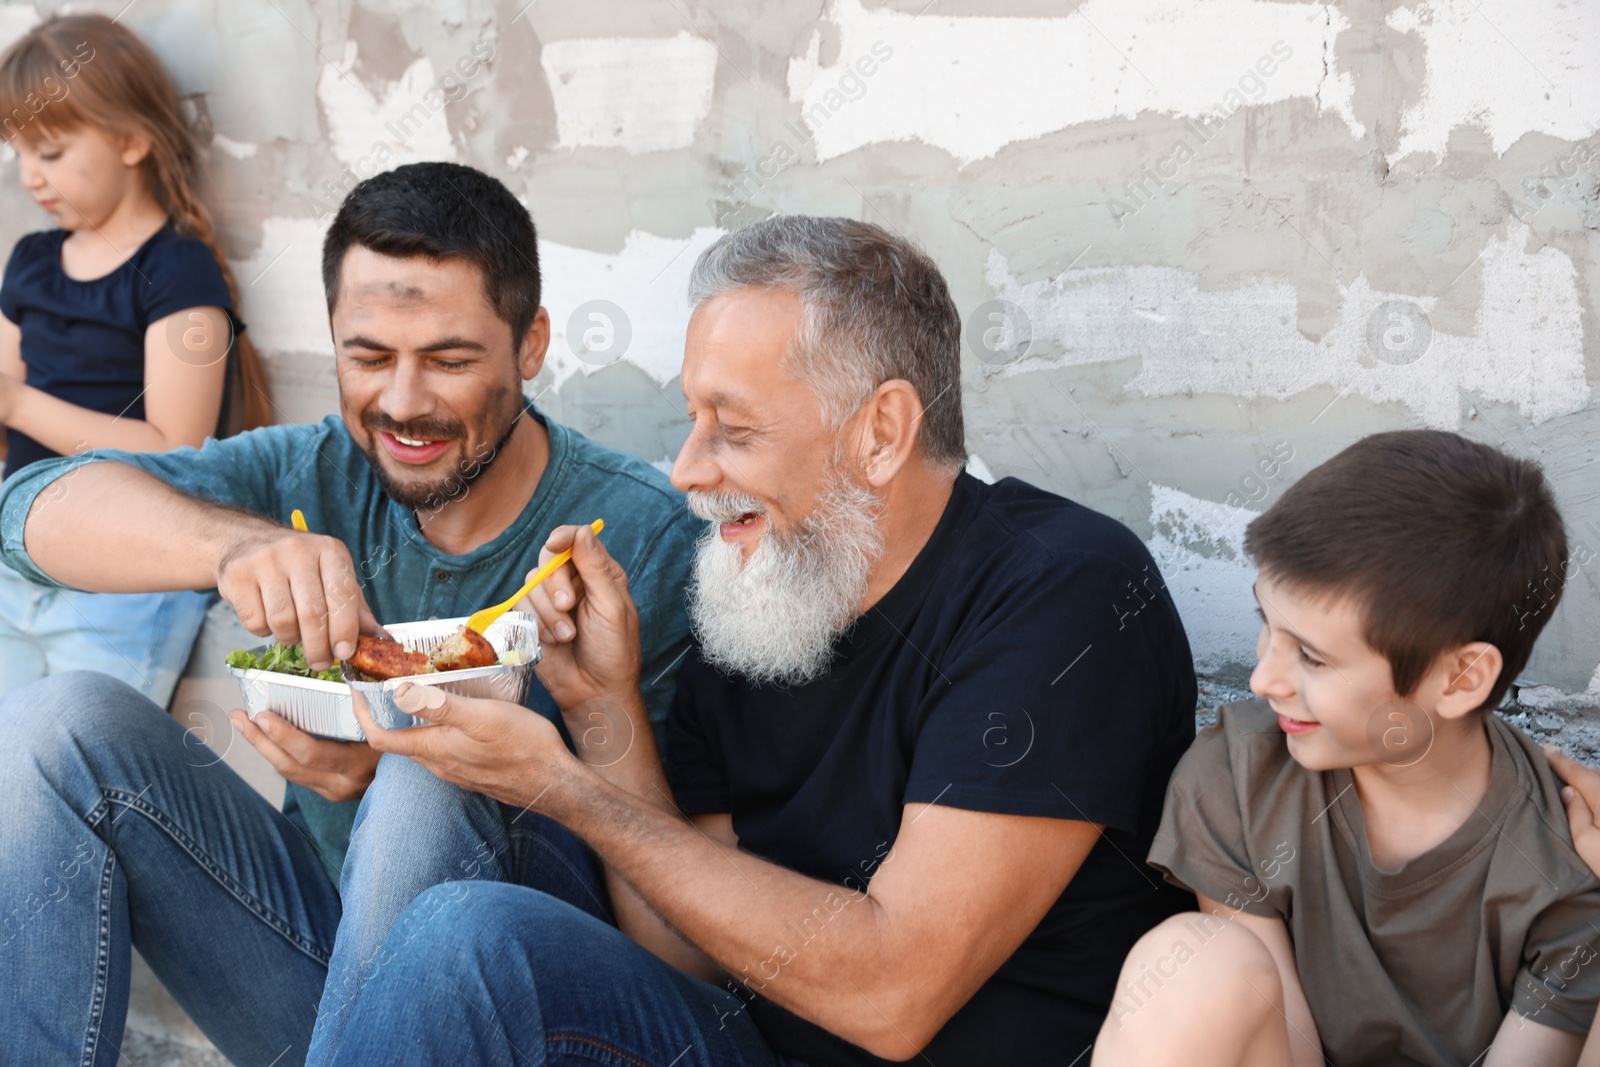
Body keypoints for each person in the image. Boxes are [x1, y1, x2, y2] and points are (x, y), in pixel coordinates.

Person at [311, 216, 1199, 1067]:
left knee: (470, 940)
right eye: (693, 421)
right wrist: (600, 708)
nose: (688, 471)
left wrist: (564, 788)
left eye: (732, 429)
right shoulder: (765, 595)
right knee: (434, 772)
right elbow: (685, 954)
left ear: (880, 433)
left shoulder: (1063, 589)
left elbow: (895, 994)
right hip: (747, 1042)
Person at [0, 162, 699, 1066]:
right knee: (52, 725)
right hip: (319, 977)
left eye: (448, 359)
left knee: (428, 764)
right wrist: (234, 546)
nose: (403, 403)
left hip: (525, 1012)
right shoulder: (309, 471)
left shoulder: (642, 535)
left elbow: (681, 936)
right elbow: (28, 511)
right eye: (368, 356)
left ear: (531, 345)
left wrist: (390, 774)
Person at [1093, 430, 1600, 1066]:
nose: (1263, 680)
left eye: (1311, 656)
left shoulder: (1564, 868)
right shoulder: (1238, 778)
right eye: (1266, 627)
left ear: (1461, 678)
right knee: (1191, 963)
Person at [0, 13, 272, 704]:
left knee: (75, 763)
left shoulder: (178, 272)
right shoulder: (31, 260)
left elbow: (174, 447)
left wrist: (20, 405)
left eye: (50, 152)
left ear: (130, 140)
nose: (30, 175)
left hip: (125, 579)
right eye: (18, 152)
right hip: (22, 559)